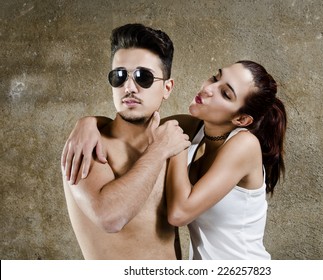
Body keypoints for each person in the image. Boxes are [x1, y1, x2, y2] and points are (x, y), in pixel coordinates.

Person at [63, 60, 287, 259]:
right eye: (215, 77)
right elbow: (134, 126)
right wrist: (87, 123)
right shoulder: (193, 128)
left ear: (241, 119)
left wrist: (176, 148)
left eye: (225, 94)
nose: (208, 89)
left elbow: (179, 213)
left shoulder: (244, 145)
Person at [61, 23, 190, 260]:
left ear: (167, 88)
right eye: (119, 76)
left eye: (144, 76)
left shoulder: (173, 136)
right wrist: (158, 150)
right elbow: (110, 217)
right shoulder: (88, 146)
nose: (129, 87)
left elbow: (229, 119)